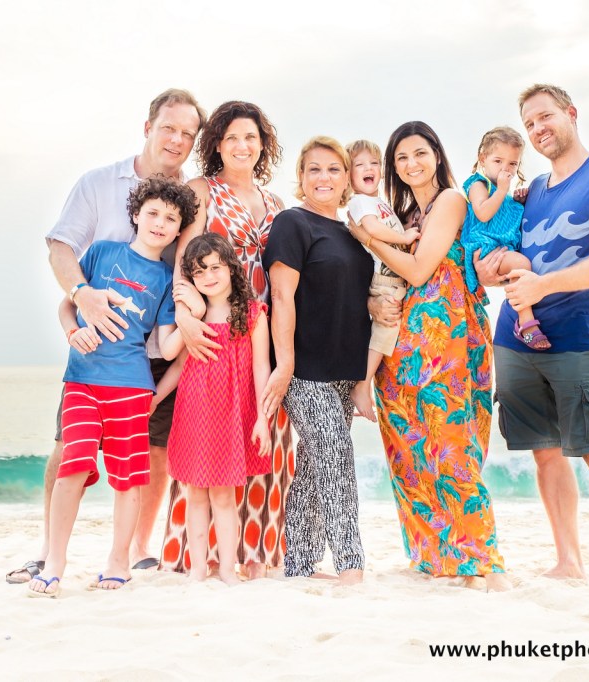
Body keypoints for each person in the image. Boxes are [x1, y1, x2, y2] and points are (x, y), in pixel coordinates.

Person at [6, 88, 205, 584]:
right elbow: (60, 248)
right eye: (169, 128)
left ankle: (134, 551)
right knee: (68, 448)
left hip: (154, 342)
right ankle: (50, 551)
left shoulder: (193, 198)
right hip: (96, 350)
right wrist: (83, 299)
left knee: (151, 453)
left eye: (187, 133)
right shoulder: (99, 183)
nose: (177, 140)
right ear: (147, 127)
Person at [475, 83, 589, 585]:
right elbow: (497, 251)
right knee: (544, 451)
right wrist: (490, 270)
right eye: (529, 124)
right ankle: (568, 561)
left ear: (571, 114)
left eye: (545, 117)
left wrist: (542, 285)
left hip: (575, 336)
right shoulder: (529, 195)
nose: (537, 130)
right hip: (512, 339)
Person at [349, 122, 511, 592]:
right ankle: (438, 556)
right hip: (402, 342)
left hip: (450, 334)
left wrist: (368, 239)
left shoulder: (451, 200)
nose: (411, 164)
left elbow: (420, 271)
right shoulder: (399, 214)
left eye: (419, 153)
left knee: (454, 447)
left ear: (437, 156)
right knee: (410, 450)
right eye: (401, 158)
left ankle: (483, 560)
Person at [27, 177, 196, 597]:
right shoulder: (103, 252)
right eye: (153, 213)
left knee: (128, 478)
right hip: (82, 380)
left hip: (132, 388)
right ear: (135, 215)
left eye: (171, 218)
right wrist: (71, 333)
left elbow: (168, 344)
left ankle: (118, 561)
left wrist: (197, 318)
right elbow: (68, 303)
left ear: (179, 231)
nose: (160, 223)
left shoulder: (165, 280)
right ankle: (55, 561)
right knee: (73, 465)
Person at [160, 101, 292, 580]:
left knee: (262, 438)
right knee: (206, 449)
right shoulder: (202, 190)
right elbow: (185, 257)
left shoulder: (275, 203)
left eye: (252, 137)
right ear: (217, 143)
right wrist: (183, 311)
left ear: (263, 144)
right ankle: (197, 559)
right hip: (210, 324)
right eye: (233, 137)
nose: (243, 146)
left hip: (260, 326)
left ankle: (252, 556)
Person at [261, 137, 373, 586]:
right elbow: (282, 296)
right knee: (337, 457)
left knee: (314, 467)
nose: (323, 178)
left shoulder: (354, 232)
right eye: (313, 169)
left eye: (332, 169)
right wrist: (284, 364)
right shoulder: (293, 222)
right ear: (302, 177)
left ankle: (300, 566)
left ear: (346, 178)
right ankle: (351, 565)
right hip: (304, 368)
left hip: (345, 369)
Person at [161, 233, 272, 585]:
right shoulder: (195, 316)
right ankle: (197, 569)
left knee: (223, 495)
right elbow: (173, 361)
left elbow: (260, 368)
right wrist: (154, 398)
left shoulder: (253, 313)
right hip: (195, 410)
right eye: (199, 272)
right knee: (195, 493)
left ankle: (226, 569)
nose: (208, 277)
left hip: (232, 412)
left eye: (214, 267)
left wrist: (263, 420)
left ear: (230, 267)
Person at [345, 139, 420, 424]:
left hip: (395, 277)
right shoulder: (359, 201)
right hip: (385, 279)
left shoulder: (380, 202)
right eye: (359, 165)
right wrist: (404, 237)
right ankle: (362, 386)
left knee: (391, 330)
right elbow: (373, 229)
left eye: (374, 163)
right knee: (385, 330)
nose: (368, 168)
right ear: (349, 175)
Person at [462, 127, 550, 351]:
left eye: (512, 164)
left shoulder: (505, 195)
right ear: (483, 159)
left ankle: (525, 320)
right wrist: (502, 190)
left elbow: (507, 215)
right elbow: (483, 212)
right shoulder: (478, 185)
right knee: (521, 264)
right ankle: (525, 323)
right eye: (498, 161)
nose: (505, 169)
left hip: (499, 249)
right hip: (484, 247)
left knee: (521, 264)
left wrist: (517, 201)